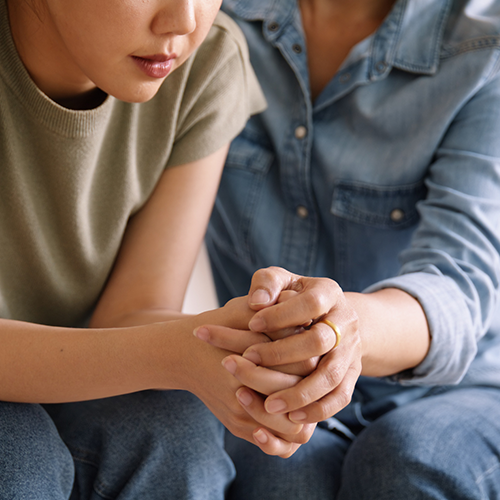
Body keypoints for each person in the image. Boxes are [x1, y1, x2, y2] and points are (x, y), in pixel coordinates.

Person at [198, 0, 500, 498]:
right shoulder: (210, 17)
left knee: (407, 461)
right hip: (273, 385)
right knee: (281, 476)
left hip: (462, 388)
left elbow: (460, 284)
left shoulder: (482, 47)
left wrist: (345, 329)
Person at [0, 0, 296, 498]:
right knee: (19, 457)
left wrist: (241, 341)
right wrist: (172, 354)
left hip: (83, 370)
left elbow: (131, 310)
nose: (183, 21)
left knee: (175, 433)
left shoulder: (205, 60)